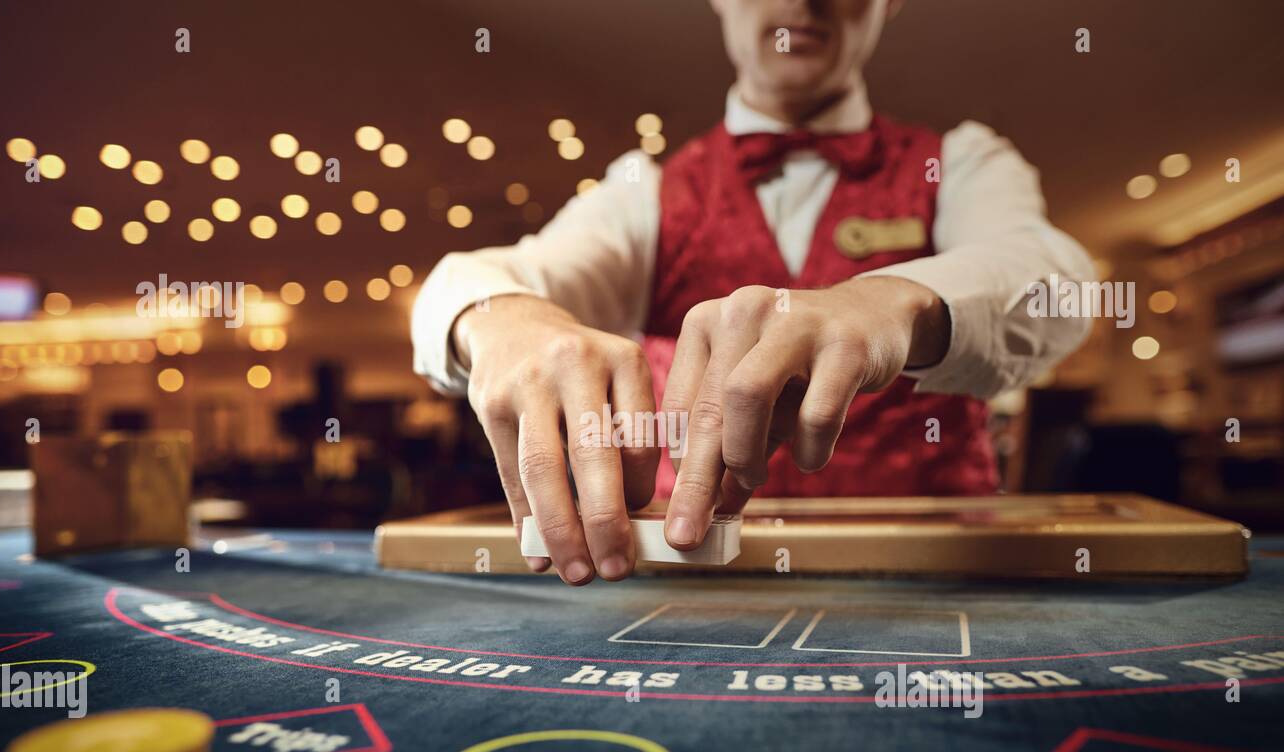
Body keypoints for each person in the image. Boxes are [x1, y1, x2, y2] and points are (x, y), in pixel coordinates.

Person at [412, 0, 1093, 585]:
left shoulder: (964, 160)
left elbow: (1059, 282)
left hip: (934, 584)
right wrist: (500, 320)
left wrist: (892, 301)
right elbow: (469, 281)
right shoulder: (643, 192)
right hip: (694, 585)